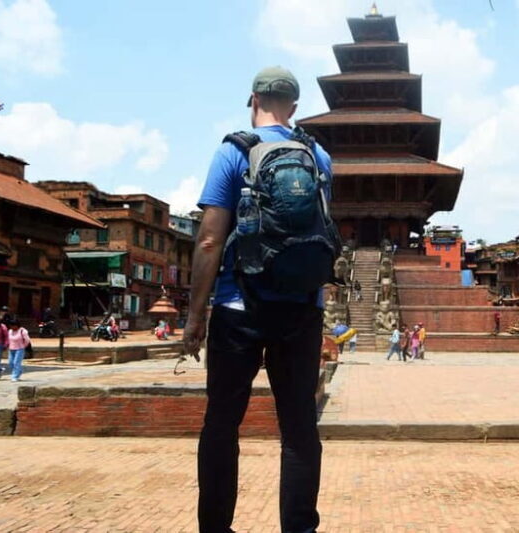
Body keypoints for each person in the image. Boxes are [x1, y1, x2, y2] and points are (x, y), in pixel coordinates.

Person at [183, 66, 333, 533]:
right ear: (294, 105)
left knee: (222, 425)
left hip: (237, 307)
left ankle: (216, 528)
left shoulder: (233, 151)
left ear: (252, 100)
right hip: (302, 307)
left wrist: (194, 317)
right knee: (299, 428)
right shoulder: (318, 156)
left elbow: (209, 239)